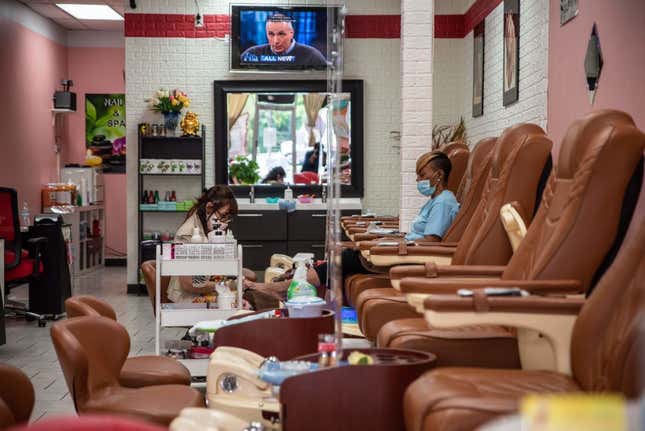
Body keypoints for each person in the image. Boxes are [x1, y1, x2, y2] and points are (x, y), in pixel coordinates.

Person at [245, 150, 460, 300]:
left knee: (343, 257)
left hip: (409, 258)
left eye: (422, 175)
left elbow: (432, 240)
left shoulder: (444, 202)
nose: (417, 180)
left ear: (439, 175)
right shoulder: (435, 201)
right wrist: (392, 239)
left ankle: (279, 288)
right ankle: (293, 283)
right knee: (342, 249)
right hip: (403, 251)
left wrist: (395, 244)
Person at [167, 186, 238, 303]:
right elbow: (188, 284)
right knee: (233, 301)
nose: (225, 223)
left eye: (228, 218)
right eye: (223, 216)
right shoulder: (187, 235)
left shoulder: (205, 226)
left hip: (202, 288)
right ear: (209, 208)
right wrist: (225, 284)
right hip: (188, 297)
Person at [241, 14, 327, 68]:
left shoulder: (312, 56)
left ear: (291, 33)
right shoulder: (252, 54)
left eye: (281, 34)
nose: (276, 41)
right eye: (271, 34)